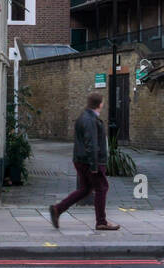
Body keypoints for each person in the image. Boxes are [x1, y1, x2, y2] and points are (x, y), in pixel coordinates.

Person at [49, 92, 119, 231]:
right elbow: (91, 143)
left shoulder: (84, 117)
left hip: (81, 160)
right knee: (101, 188)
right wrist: (94, 165)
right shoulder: (90, 120)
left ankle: (58, 209)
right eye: (103, 102)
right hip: (91, 162)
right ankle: (101, 222)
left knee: (85, 189)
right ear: (100, 104)